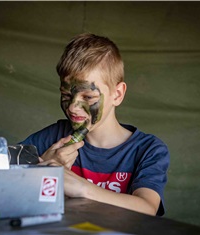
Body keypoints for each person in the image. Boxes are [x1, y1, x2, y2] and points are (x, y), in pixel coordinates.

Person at [20, 33, 170, 216]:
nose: (73, 108)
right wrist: (37, 168)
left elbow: (147, 208)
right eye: (66, 95)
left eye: (88, 97)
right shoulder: (52, 138)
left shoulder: (148, 149)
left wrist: (81, 187)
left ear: (117, 94)